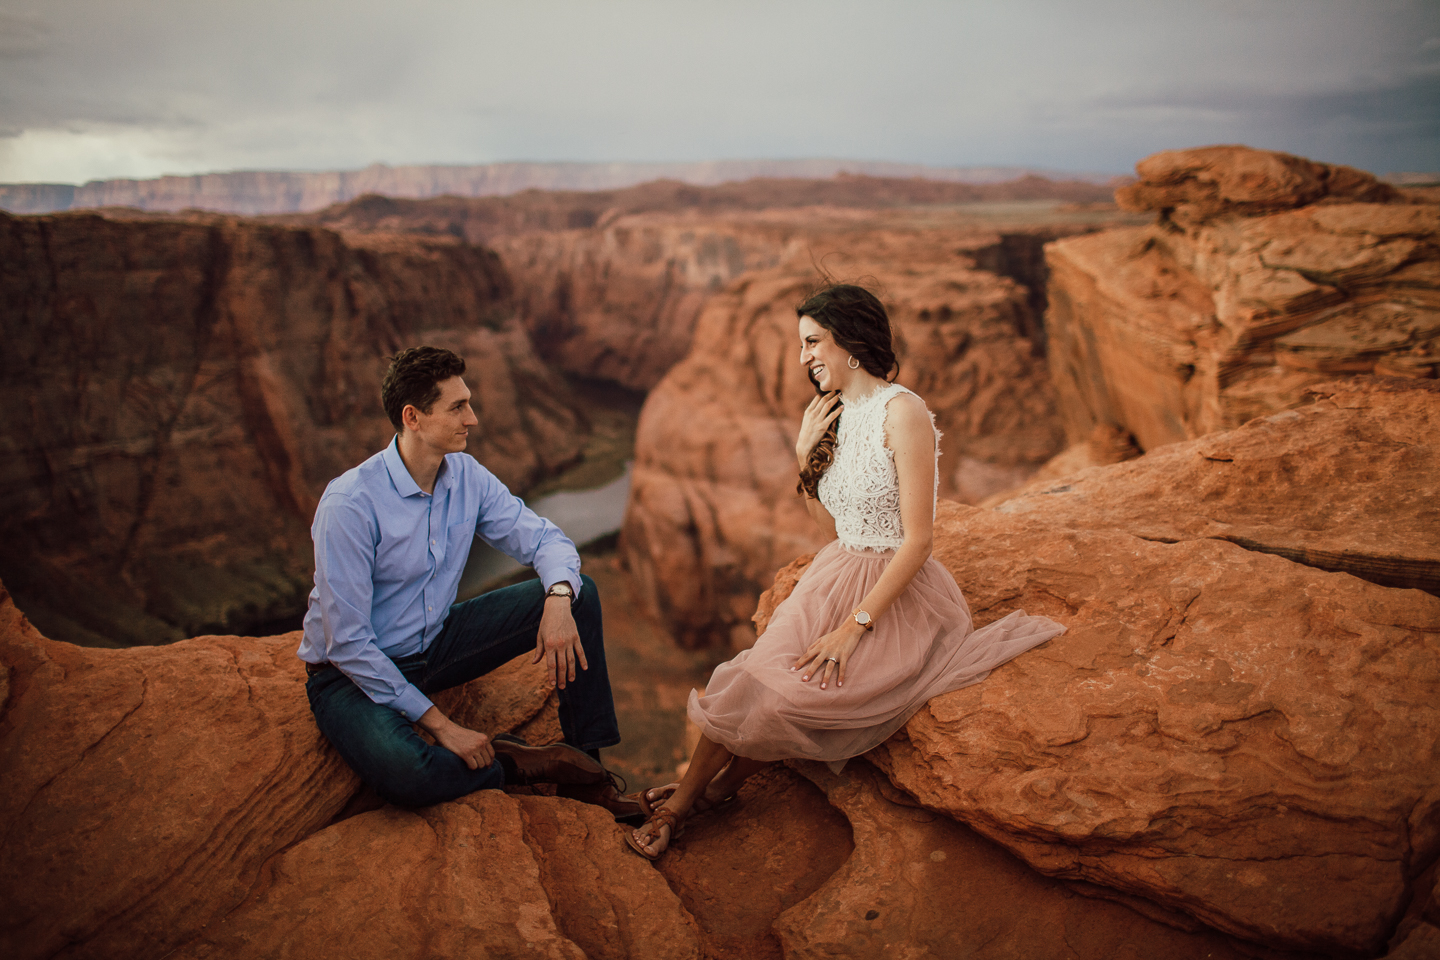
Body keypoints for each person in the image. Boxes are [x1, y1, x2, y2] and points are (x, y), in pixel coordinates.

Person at [627, 283, 1066, 858]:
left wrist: (853, 627)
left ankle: (719, 789)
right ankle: (684, 804)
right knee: (750, 675)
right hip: (835, 570)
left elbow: (919, 541)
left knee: (793, 697)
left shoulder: (903, 412)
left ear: (850, 343)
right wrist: (805, 456)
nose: (804, 357)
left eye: (812, 342)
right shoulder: (835, 412)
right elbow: (830, 529)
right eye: (801, 345)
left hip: (895, 593)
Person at [298, 345, 638, 819]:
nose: (472, 419)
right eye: (458, 407)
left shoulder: (466, 476)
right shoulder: (350, 504)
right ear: (413, 417)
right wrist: (441, 725)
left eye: (469, 403)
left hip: (436, 646)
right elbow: (348, 642)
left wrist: (558, 599)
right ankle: (513, 763)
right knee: (408, 775)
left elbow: (546, 541)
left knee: (581, 596)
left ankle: (589, 774)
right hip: (351, 675)